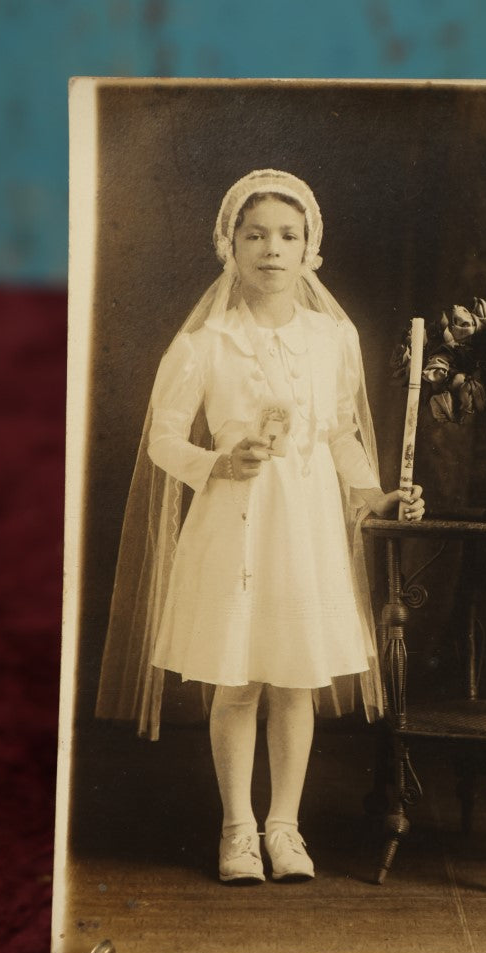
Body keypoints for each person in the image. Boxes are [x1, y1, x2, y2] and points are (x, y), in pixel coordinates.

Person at [96, 169, 424, 884]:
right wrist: (219, 461)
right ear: (229, 246)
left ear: (311, 248)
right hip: (234, 522)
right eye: (255, 236)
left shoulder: (333, 338)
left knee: (295, 681)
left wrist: (368, 491)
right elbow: (162, 439)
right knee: (239, 681)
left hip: (303, 526)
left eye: (288, 235)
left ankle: (286, 828)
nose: (272, 249)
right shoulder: (204, 345)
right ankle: (237, 830)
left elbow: (340, 431)